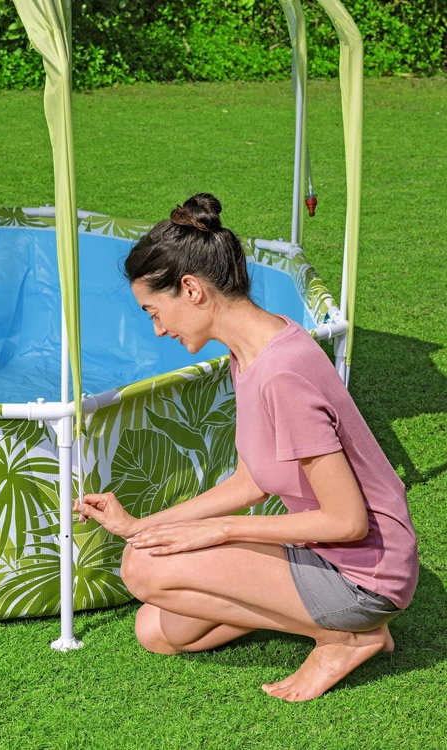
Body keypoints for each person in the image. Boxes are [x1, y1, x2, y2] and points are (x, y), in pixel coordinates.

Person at [75, 193, 418, 702]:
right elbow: (251, 481)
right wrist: (139, 526)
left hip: (365, 573)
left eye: (154, 312)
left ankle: (347, 636)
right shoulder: (252, 351)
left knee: (143, 568)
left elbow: (348, 522)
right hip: (325, 555)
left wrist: (221, 530)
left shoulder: (281, 374)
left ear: (191, 289)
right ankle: (320, 618)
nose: (159, 329)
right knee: (157, 630)